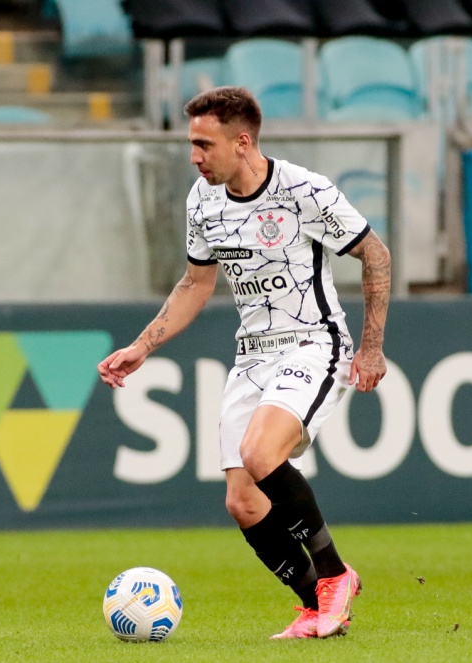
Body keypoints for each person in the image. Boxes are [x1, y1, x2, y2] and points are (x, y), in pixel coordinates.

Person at [98, 87, 390, 639]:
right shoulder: (202, 200)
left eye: (203, 144)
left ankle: (335, 576)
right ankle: (316, 607)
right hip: (251, 357)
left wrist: (370, 347)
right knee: (243, 502)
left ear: (243, 140)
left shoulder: (304, 190)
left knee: (260, 453)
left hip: (312, 342)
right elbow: (195, 283)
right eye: (192, 144)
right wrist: (143, 345)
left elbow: (375, 254)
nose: (194, 157)